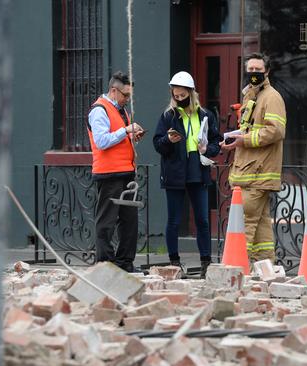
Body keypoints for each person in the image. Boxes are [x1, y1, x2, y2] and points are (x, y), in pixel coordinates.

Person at [153, 71, 221, 278]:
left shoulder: (206, 115)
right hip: (174, 172)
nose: (179, 99)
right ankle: (174, 262)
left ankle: (206, 263)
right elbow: (157, 143)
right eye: (176, 95)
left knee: (202, 220)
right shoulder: (168, 116)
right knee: (174, 220)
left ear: (191, 93)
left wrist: (207, 150)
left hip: (198, 171)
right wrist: (167, 140)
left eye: (183, 95)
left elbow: (216, 142)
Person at [221, 52, 286, 263]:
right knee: (261, 226)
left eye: (258, 70)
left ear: (267, 72)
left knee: (244, 222)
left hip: (257, 173)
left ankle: (237, 268)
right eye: (250, 70)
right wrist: (234, 140)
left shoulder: (271, 97)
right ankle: (265, 268)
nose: (254, 74)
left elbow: (276, 131)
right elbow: (249, 130)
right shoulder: (252, 96)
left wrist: (244, 140)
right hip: (251, 172)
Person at [87, 71, 144, 273]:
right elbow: (102, 141)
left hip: (126, 172)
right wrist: (126, 131)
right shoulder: (99, 110)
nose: (128, 99)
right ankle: (105, 266)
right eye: (125, 95)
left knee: (129, 222)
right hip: (108, 174)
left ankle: (125, 263)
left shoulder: (120, 110)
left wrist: (131, 136)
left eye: (129, 95)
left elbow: (117, 138)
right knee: (106, 222)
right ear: (113, 90)